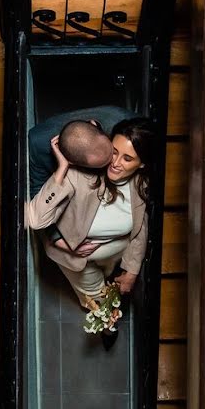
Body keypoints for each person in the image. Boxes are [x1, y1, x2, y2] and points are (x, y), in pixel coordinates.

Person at [26, 117, 155, 309]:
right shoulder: (78, 175)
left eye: (127, 158)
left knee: (110, 273)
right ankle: (108, 330)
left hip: (116, 250)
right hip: (78, 260)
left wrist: (132, 271)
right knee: (98, 304)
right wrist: (62, 169)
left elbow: (140, 227)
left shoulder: (142, 183)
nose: (116, 163)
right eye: (114, 151)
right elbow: (35, 219)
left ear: (142, 164)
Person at [28, 105, 135, 247]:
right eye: (104, 164)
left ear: (94, 124)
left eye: (112, 151)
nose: (114, 163)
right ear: (73, 164)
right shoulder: (38, 145)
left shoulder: (123, 124)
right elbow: (38, 194)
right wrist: (55, 237)